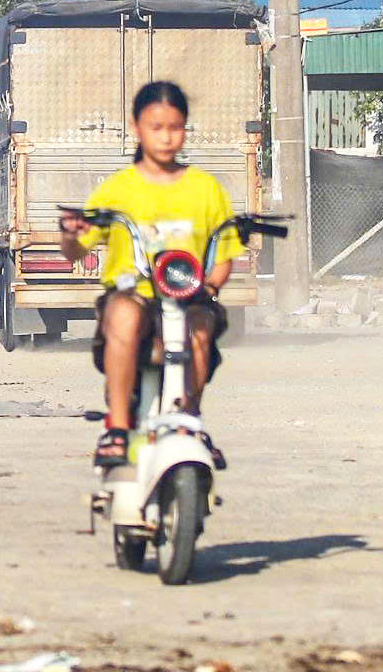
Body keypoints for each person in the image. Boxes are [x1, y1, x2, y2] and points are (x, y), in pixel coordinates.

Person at [57, 80, 244, 468]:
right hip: (133, 295)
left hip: (187, 296)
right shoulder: (117, 189)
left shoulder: (206, 189)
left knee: (200, 327)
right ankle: (118, 427)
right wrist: (70, 236)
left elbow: (224, 254)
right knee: (123, 315)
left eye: (175, 127)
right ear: (136, 127)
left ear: (185, 127)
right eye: (155, 127)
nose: (166, 137)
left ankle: (188, 418)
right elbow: (77, 248)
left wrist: (208, 287)